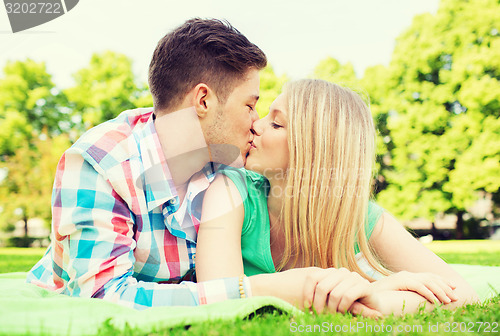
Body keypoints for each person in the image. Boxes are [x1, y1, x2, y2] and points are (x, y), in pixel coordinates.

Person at [26, 18, 269, 309]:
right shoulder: (100, 164)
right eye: (250, 106)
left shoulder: (229, 165)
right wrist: (248, 292)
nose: (257, 123)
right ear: (203, 100)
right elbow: (102, 297)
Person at [195, 79, 479, 315]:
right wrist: (357, 290)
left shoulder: (359, 216)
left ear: (314, 150)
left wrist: (375, 299)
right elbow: (218, 296)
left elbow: (463, 293)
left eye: (276, 123)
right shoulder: (231, 190)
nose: (256, 124)